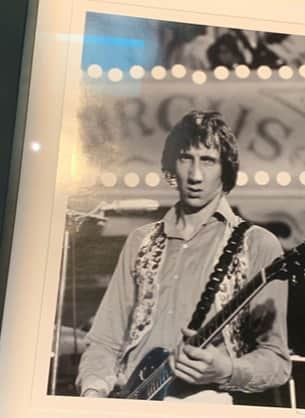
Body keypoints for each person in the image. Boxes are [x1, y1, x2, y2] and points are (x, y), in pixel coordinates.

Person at [76, 111, 291, 403]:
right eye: (185, 158)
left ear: (225, 169)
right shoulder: (140, 241)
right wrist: (92, 392)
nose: (195, 175)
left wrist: (227, 369)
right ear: (171, 168)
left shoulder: (258, 244)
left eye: (208, 160)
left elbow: (277, 361)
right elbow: (104, 340)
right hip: (131, 399)